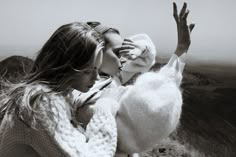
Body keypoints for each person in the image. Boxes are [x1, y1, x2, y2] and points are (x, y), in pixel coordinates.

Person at [75, 2, 195, 157]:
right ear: (96, 53)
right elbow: (154, 107)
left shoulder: (109, 78)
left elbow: (147, 57)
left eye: (125, 51)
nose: (123, 58)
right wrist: (181, 50)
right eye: (119, 52)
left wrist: (180, 48)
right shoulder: (88, 100)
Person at [0, 22, 118, 157]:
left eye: (97, 69)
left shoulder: (55, 96)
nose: (96, 77)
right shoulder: (42, 102)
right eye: (87, 71)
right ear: (66, 65)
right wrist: (105, 108)